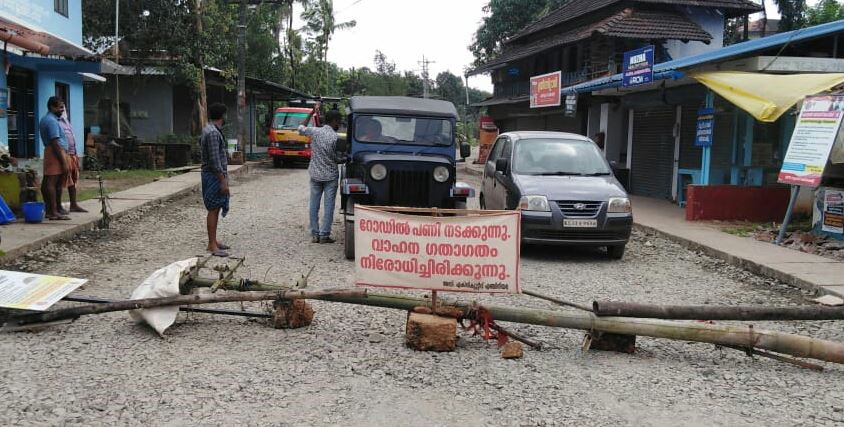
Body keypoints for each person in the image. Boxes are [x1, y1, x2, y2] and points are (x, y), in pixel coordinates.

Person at [298, 109, 342, 243]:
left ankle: (315, 234)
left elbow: (300, 128)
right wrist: (340, 160)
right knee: (329, 206)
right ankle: (324, 235)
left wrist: (311, 112)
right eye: (339, 121)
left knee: (314, 205)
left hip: (315, 175)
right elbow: (337, 158)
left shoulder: (315, 132)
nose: (339, 124)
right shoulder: (335, 138)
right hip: (330, 177)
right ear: (334, 121)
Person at [200, 103, 232, 257]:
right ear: (222, 116)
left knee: (216, 207)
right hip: (214, 175)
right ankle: (212, 244)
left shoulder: (210, 129)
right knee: (213, 209)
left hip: (213, 175)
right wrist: (222, 180)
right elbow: (214, 160)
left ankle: (213, 241)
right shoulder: (213, 133)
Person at [38, 96, 70, 221]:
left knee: (51, 182)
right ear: (52, 107)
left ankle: (53, 209)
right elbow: (55, 142)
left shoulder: (50, 119)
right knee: (51, 182)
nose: (62, 110)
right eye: (60, 107)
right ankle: (53, 211)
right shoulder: (51, 121)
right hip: (55, 152)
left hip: (54, 151)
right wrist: (63, 161)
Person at [58, 110, 88, 214]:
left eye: (63, 108)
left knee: (73, 181)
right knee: (61, 181)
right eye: (60, 107)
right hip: (64, 154)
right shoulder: (56, 122)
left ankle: (73, 204)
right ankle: (58, 206)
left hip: (72, 154)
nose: (62, 110)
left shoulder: (66, 122)